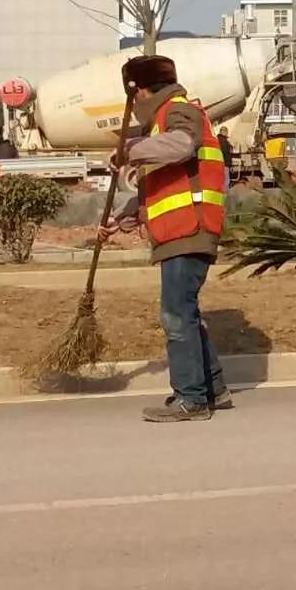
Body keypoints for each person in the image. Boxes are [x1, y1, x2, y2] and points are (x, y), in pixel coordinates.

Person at [96, 55, 230, 422]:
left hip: (190, 228)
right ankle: (213, 388)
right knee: (185, 313)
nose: (134, 104)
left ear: (138, 90)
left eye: (133, 95)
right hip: (179, 230)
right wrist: (120, 220)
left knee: (175, 316)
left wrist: (129, 150)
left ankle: (192, 399)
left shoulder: (178, 111)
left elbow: (182, 145)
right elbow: (159, 188)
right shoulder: (160, 124)